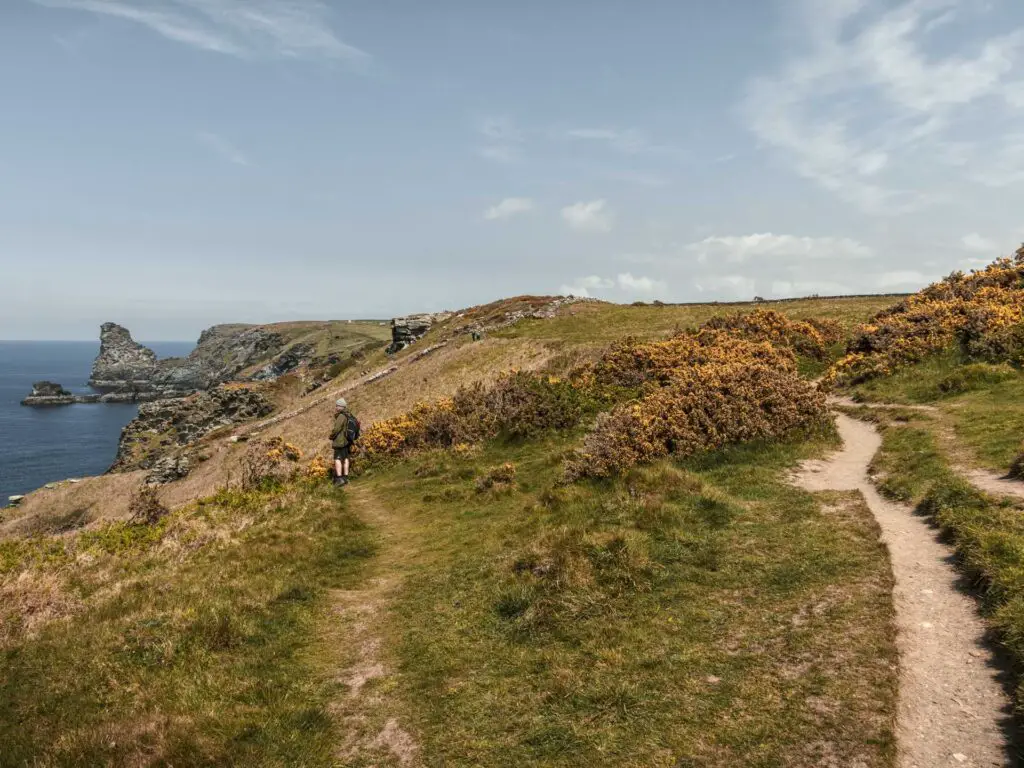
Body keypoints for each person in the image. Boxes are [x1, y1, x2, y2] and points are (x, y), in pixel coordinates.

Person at [330, 398, 359, 487]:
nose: (335, 407)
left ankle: (339, 479)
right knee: (346, 458)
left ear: (340, 406)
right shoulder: (349, 414)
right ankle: (345, 478)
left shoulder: (341, 416)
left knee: (337, 459)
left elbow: (337, 429)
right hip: (347, 441)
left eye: (337, 405)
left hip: (340, 441)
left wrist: (331, 436)